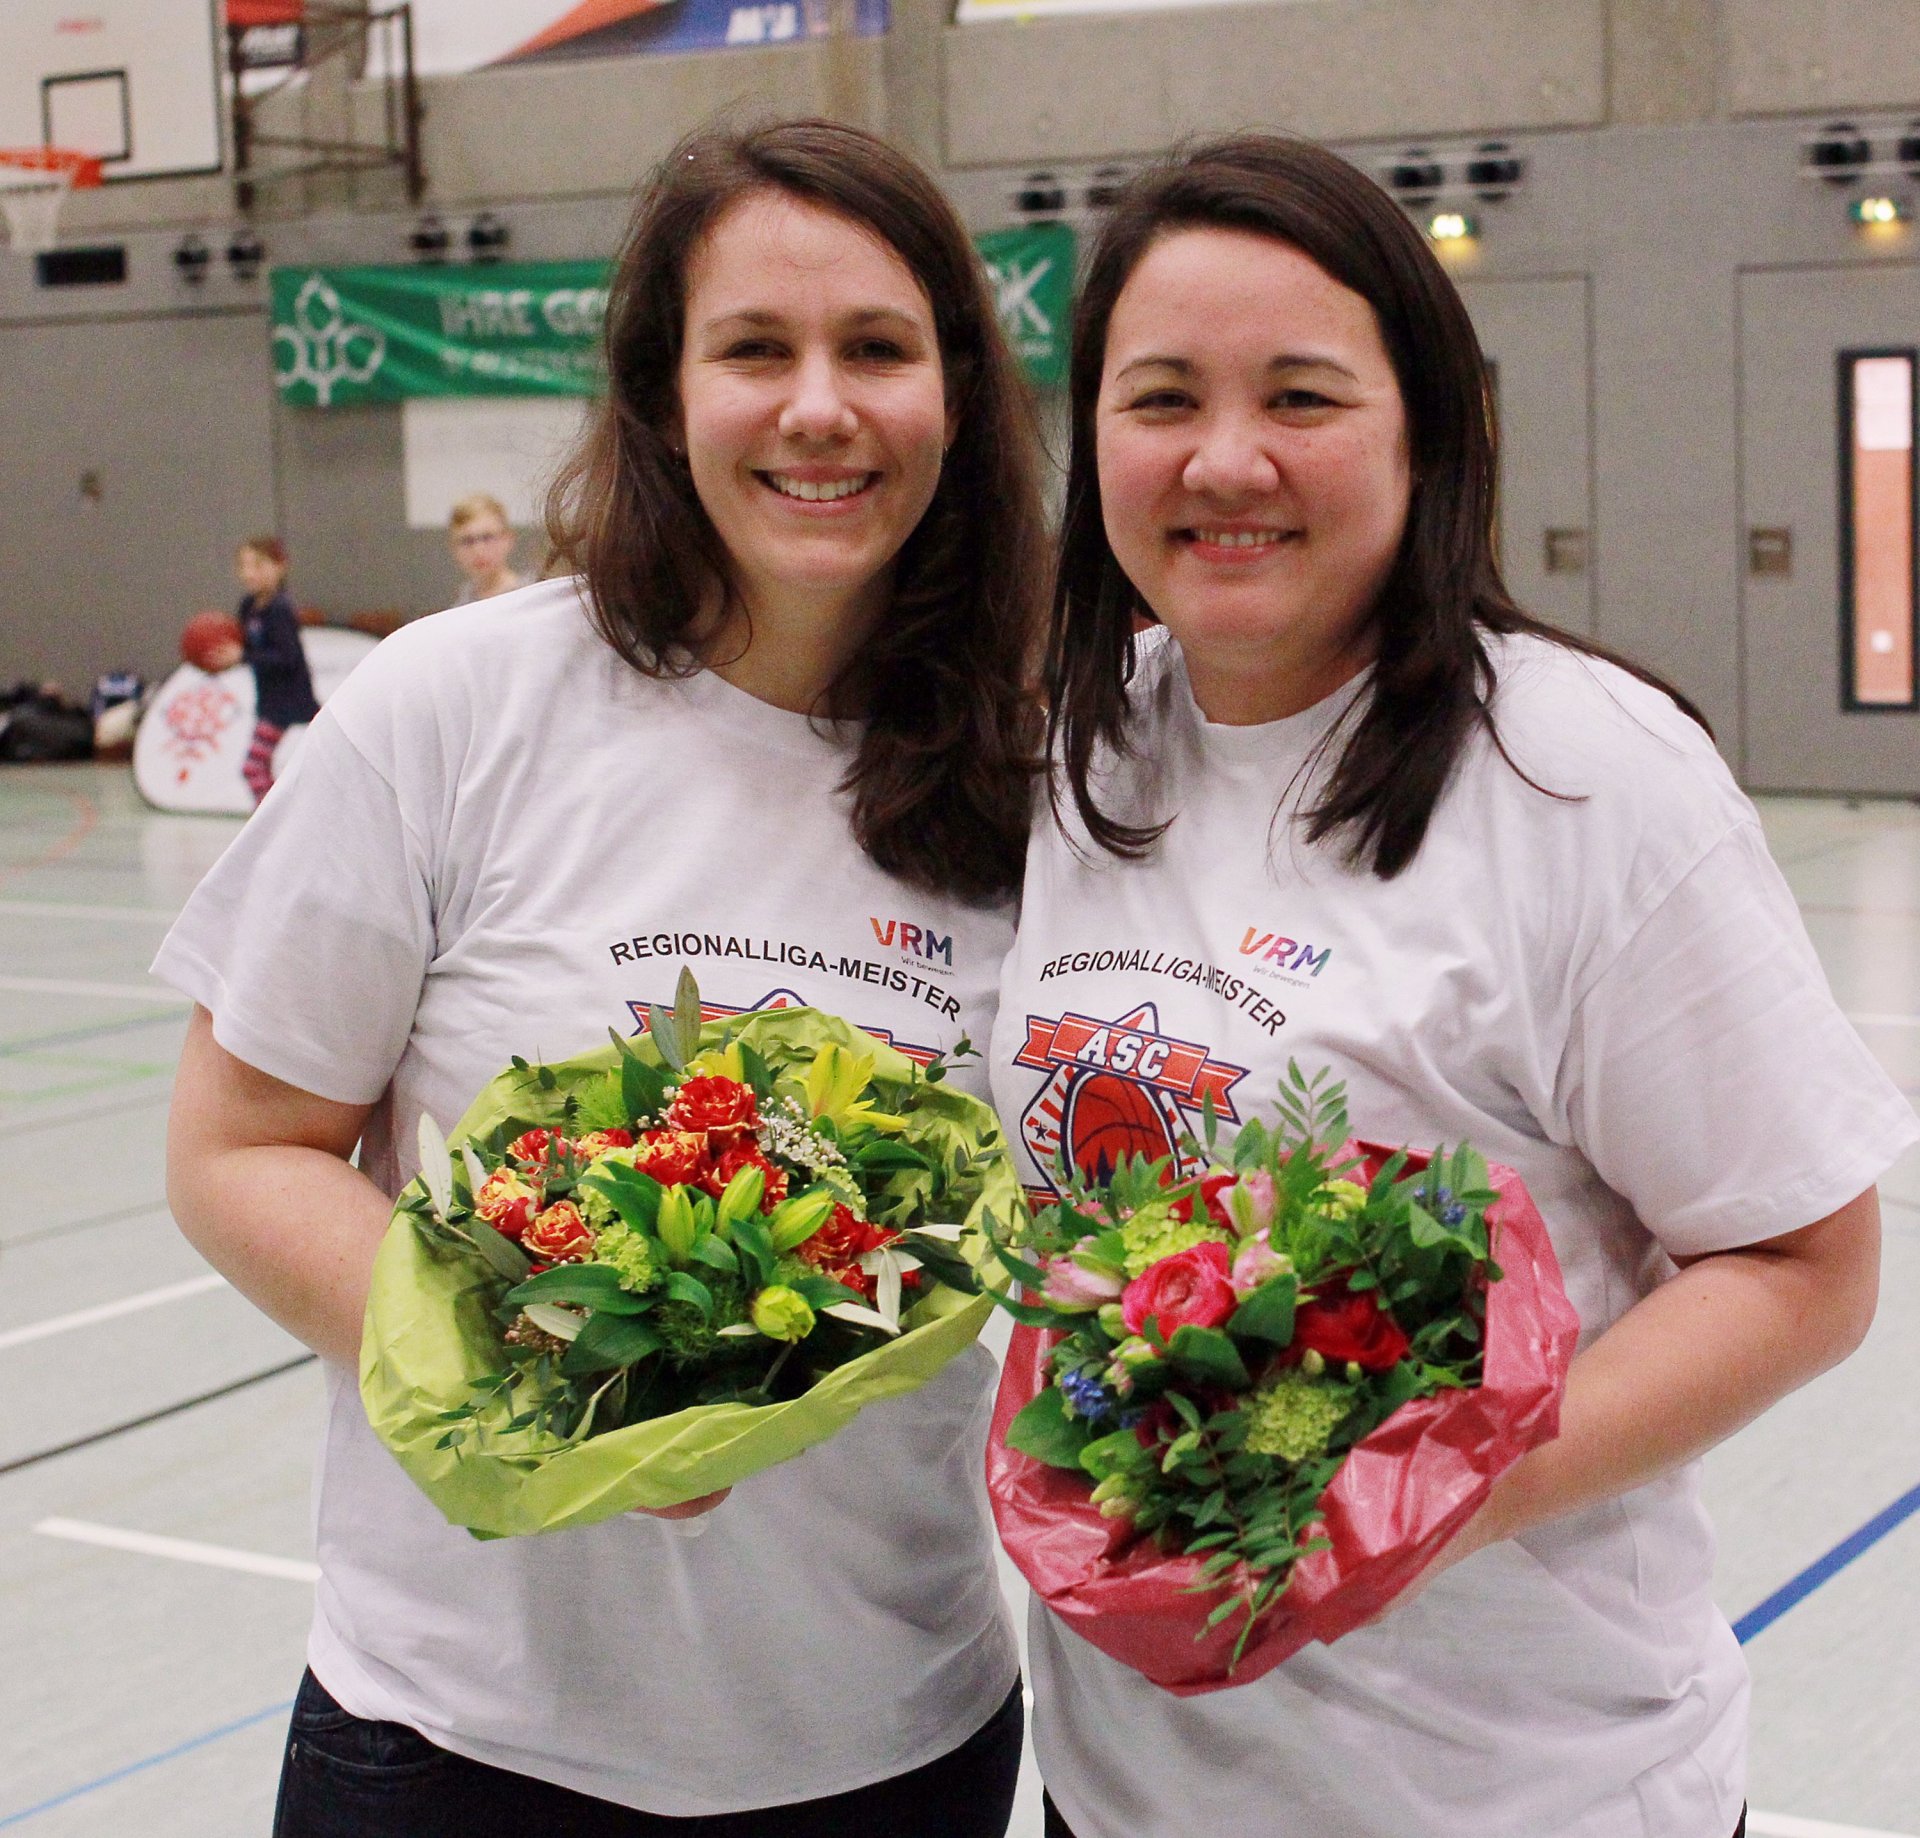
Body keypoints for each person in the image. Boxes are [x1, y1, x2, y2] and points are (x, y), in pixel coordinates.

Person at [989, 135, 1916, 1838]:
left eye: (1304, 395)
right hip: (1127, 1794)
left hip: (1519, 1792)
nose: (1227, 456)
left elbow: (1803, 1260)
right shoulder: (1079, 748)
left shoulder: (1582, 776)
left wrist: (1433, 1497)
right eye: (1162, 395)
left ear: (1428, 425)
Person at [157, 119, 1047, 1837]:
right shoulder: (456, 706)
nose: (818, 407)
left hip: (889, 1740)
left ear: (956, 390)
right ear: (659, 390)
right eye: (754, 351)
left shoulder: (1049, 765)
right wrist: (562, 1373)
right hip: (456, 1742)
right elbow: (237, 1147)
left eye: (876, 348)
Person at [211, 535, 319, 804]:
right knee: (259, 766)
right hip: (269, 700)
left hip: (289, 701)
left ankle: (272, 824)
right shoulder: (248, 607)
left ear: (280, 566)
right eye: (243, 566)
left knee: (253, 767)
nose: (249, 573)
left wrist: (243, 656)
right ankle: (277, 822)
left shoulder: (279, 610)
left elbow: (288, 657)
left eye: (258, 565)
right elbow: (244, 648)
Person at [448, 491, 529, 602]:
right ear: (454, 548)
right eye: (467, 541)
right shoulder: (462, 601)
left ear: (508, 540)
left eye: (487, 537)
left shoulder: (528, 596)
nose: (478, 550)